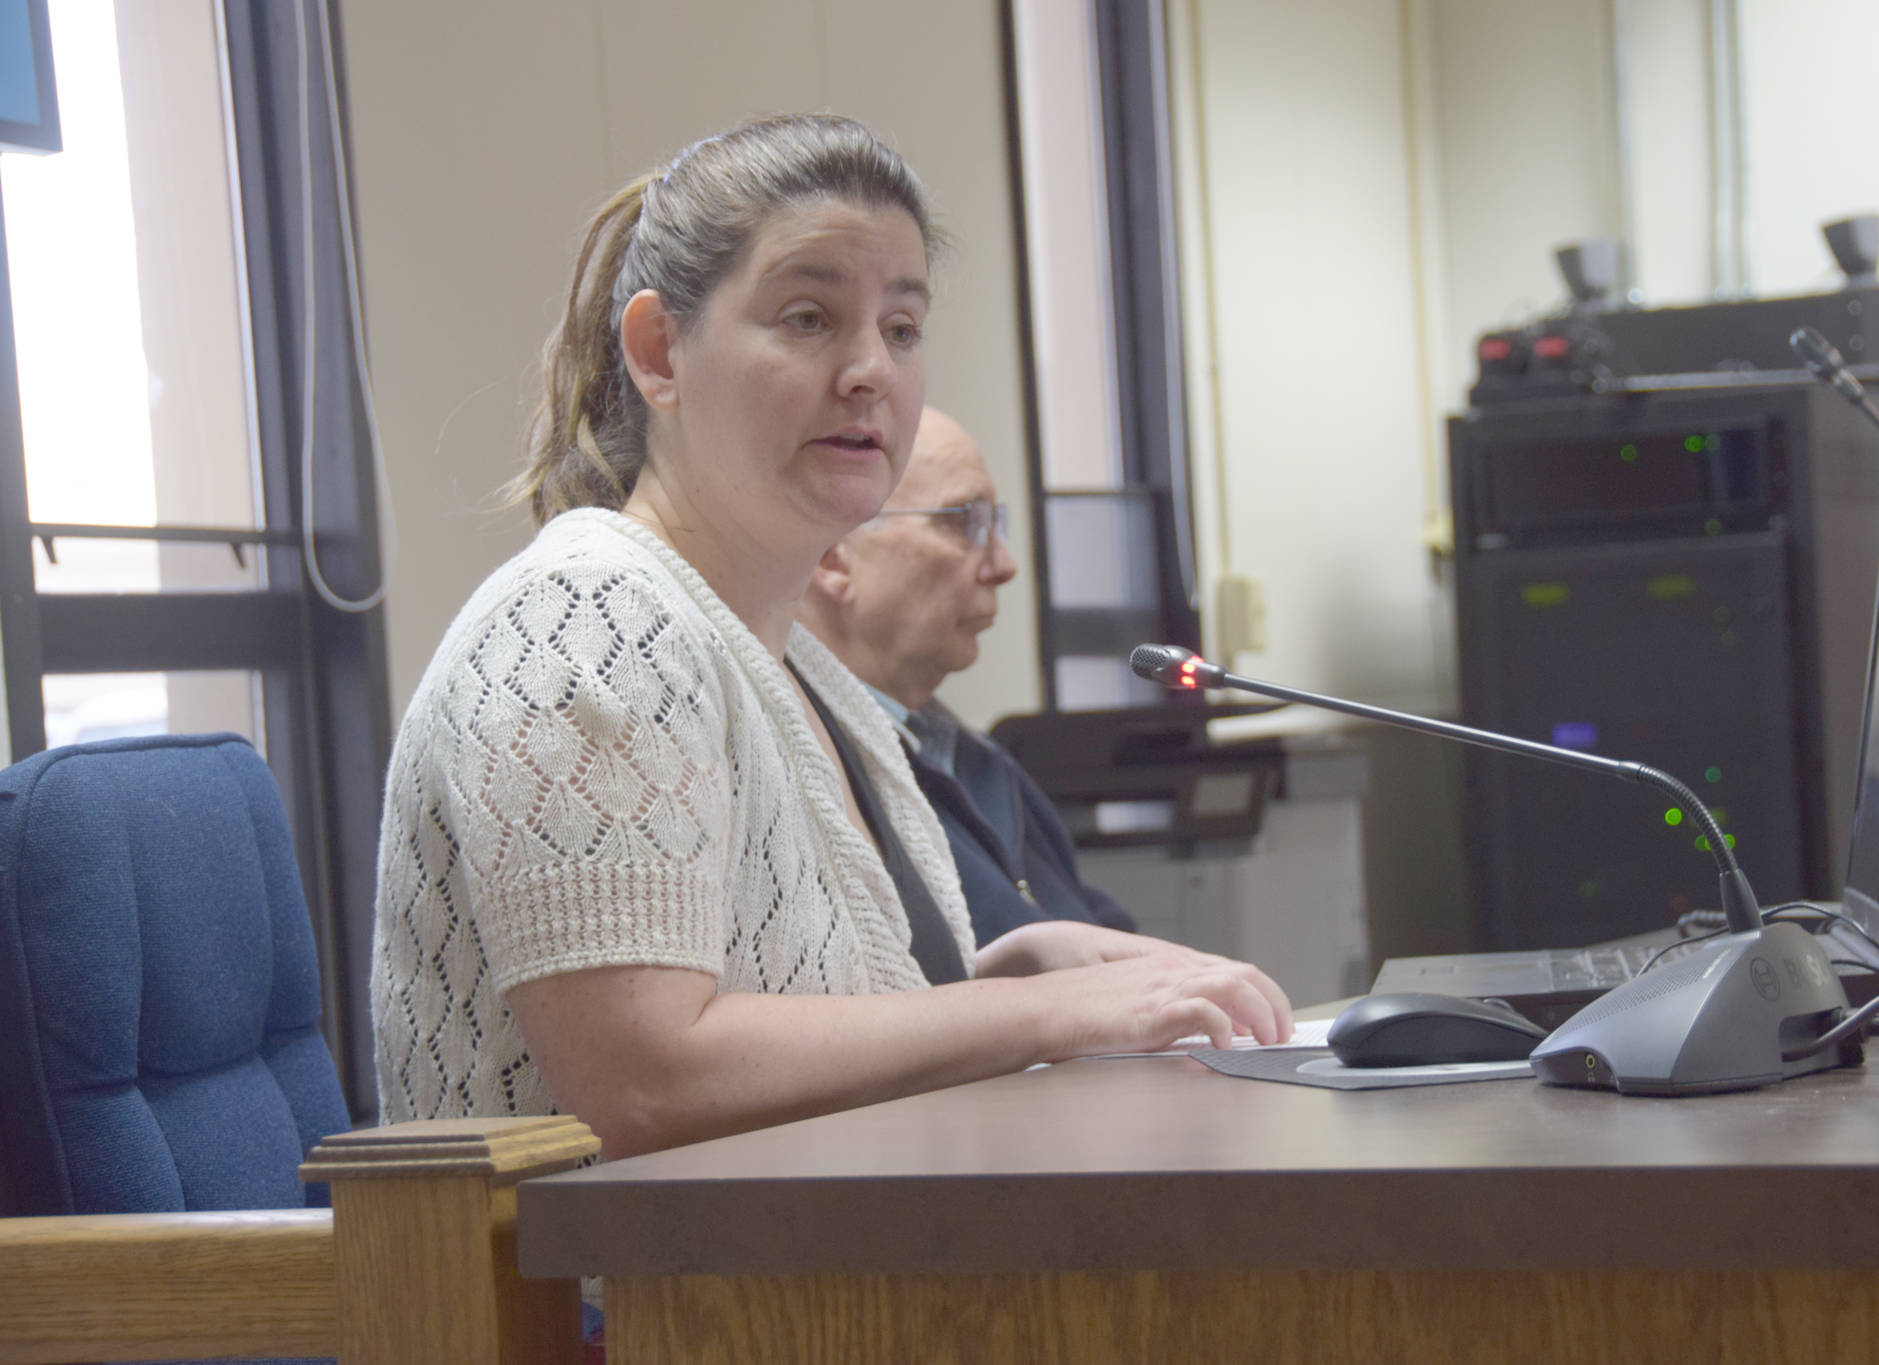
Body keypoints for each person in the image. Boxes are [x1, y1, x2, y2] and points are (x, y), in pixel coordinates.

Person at [368, 114, 1291, 1160]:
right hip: (624, 1319)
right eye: (807, 319)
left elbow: (800, 1012)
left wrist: (1017, 967)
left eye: (901, 329)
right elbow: (645, 1081)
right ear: (659, 351)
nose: (868, 370)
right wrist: (1044, 1019)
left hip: (806, 1284)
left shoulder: (794, 661)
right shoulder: (587, 621)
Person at [798, 406, 1139, 944]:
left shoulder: (977, 760)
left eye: (992, 525)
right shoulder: (807, 776)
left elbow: (1111, 942)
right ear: (831, 555)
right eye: (962, 522)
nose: (1003, 565)